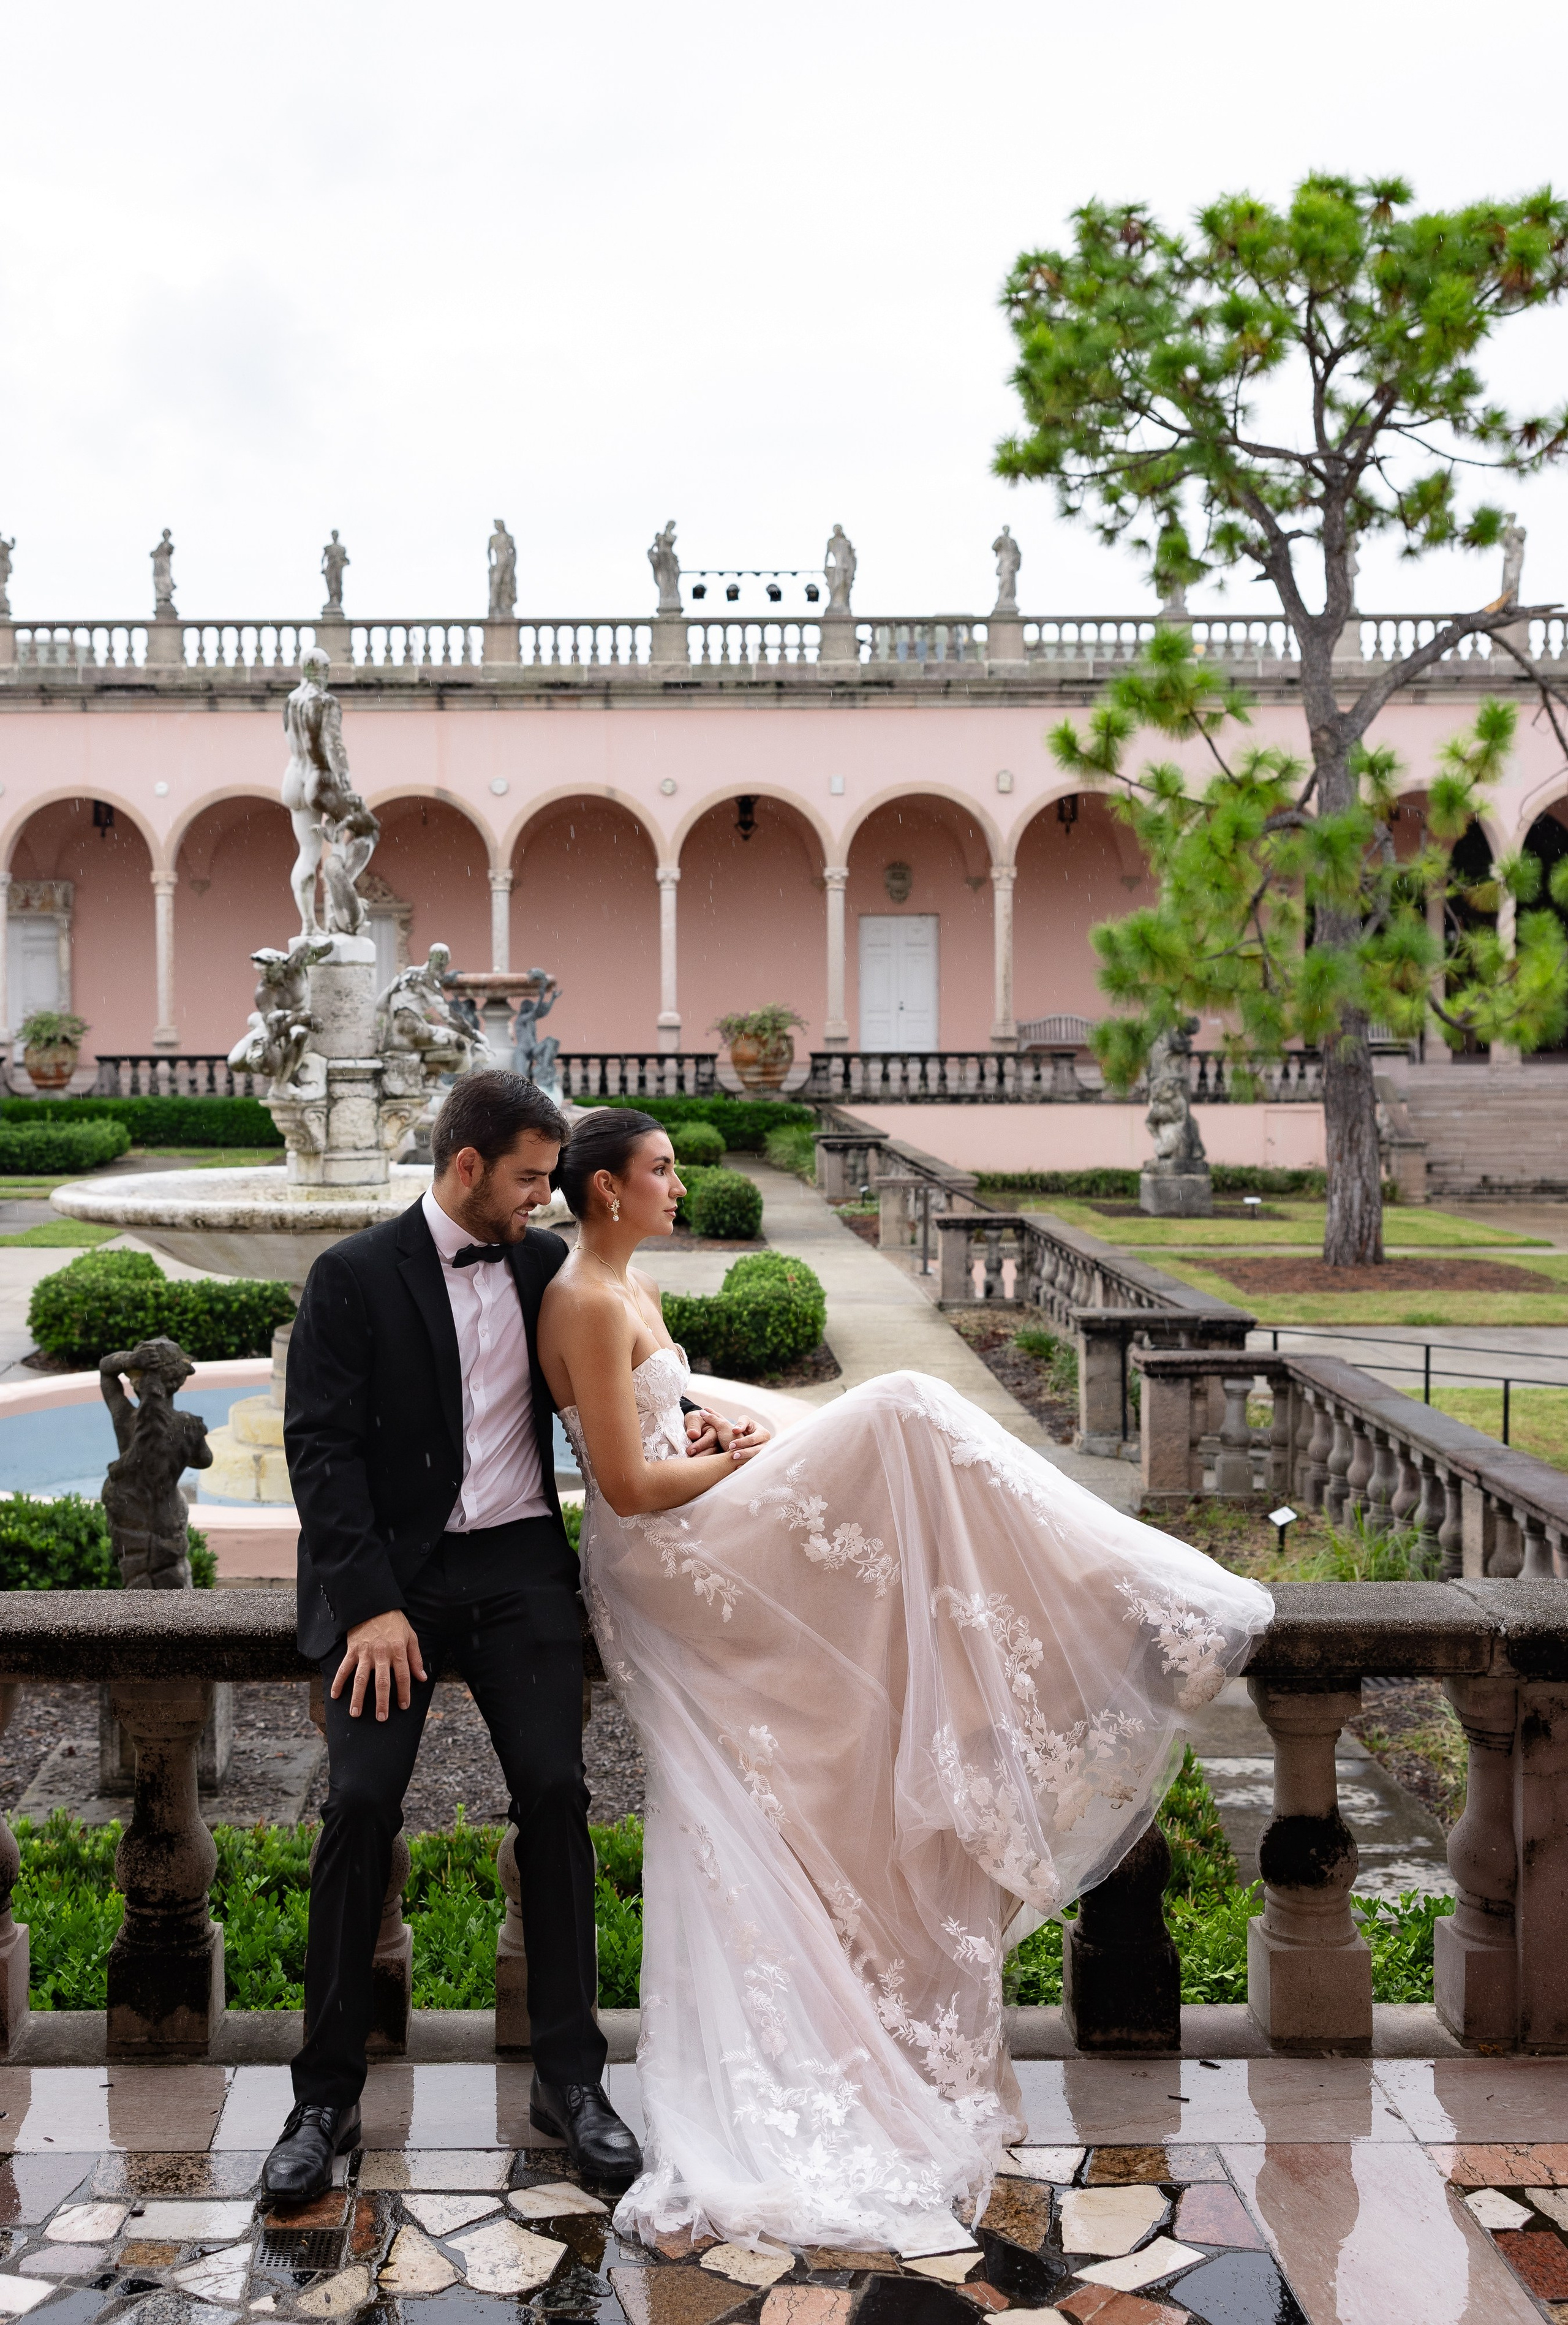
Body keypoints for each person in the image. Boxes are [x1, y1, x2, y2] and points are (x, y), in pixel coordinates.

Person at [537, 1109, 1272, 2254]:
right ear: (604, 1192)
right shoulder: (583, 1296)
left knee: (902, 1451)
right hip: (660, 1559)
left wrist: (715, 1422)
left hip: (692, 1510)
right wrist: (727, 1456)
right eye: (662, 1170)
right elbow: (624, 1489)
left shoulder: (630, 1284)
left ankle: (1094, 1595)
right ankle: (1123, 1587)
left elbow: (664, 1411)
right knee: (905, 1411)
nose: (681, 1184)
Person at [262, 1071, 642, 2202]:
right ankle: (323, 2098)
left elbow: (614, 1399)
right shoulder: (351, 1275)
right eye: (531, 1180)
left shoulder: (545, 1271)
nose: (546, 1199)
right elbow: (318, 1449)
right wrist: (371, 1603)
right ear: (466, 1167)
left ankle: (572, 2081)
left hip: (520, 1566)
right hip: (398, 1582)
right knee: (362, 1803)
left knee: (559, 1796)